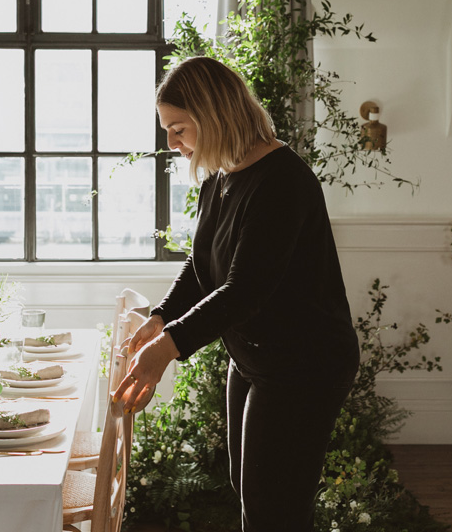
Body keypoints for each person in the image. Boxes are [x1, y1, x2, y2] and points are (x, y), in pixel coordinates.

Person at [114, 55, 361, 532]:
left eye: (179, 128)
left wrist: (165, 350)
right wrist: (161, 317)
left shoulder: (283, 181)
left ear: (214, 114)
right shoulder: (220, 176)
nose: (171, 143)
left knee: (275, 512)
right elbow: (201, 264)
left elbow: (244, 290)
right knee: (250, 491)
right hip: (253, 360)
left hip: (305, 366)